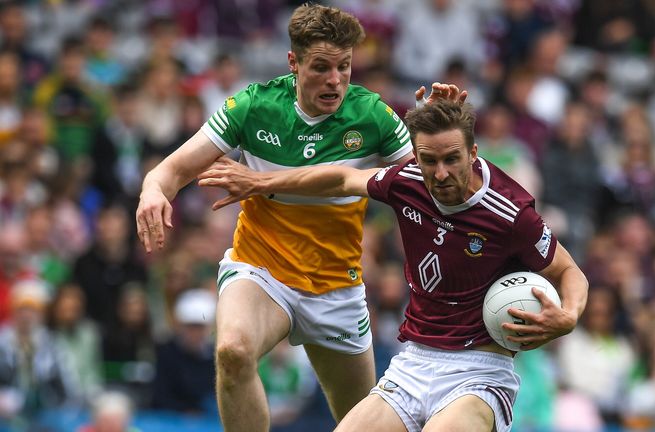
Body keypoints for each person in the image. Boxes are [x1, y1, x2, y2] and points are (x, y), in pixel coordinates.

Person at [134, 4, 464, 431]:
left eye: (344, 67)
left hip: (336, 289)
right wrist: (152, 191)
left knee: (360, 420)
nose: (335, 80)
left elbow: (442, 191)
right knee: (232, 351)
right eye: (321, 67)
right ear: (294, 63)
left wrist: (439, 129)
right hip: (262, 270)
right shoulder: (253, 107)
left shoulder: (374, 116)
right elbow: (172, 169)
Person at [197, 100, 589, 432]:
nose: (440, 174)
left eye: (452, 159)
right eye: (429, 160)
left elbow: (569, 271)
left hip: (479, 373)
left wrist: (568, 316)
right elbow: (339, 179)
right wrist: (262, 182)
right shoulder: (408, 180)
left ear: (473, 152)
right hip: (414, 364)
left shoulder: (509, 212)